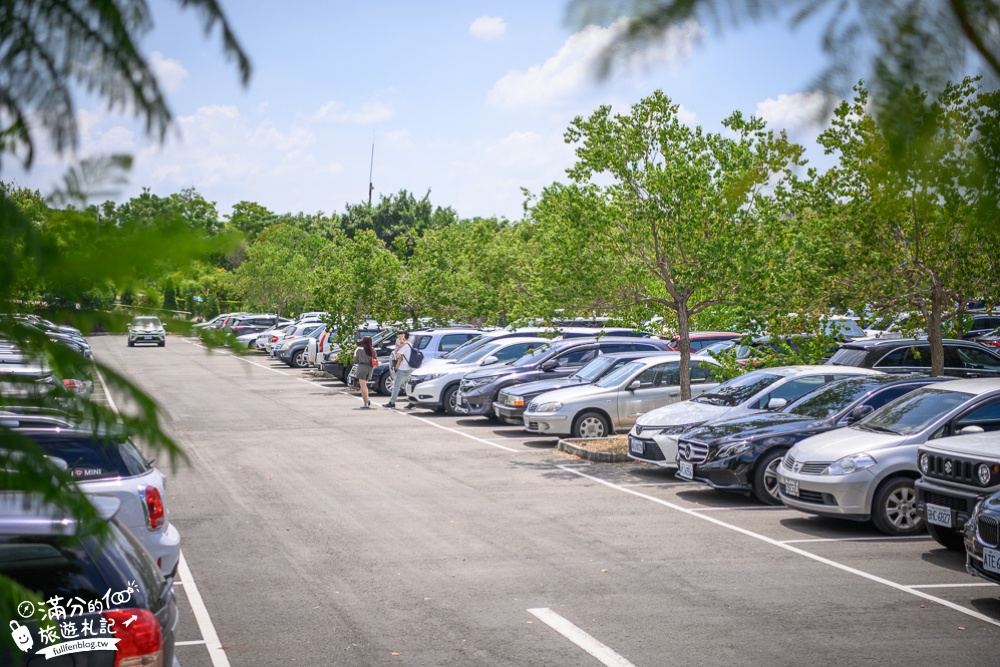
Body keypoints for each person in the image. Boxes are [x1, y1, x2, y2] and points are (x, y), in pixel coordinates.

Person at [384, 331, 413, 409]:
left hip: (403, 368)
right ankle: (412, 403)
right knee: (407, 386)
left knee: (396, 385)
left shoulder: (405, 346)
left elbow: (397, 355)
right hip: (410, 368)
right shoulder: (410, 344)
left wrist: (398, 359)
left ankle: (392, 402)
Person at [354, 336, 376, 408]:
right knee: (365, 385)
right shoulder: (372, 350)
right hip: (369, 368)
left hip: (362, 367)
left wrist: (355, 353)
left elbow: (355, 361)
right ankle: (367, 399)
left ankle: (365, 402)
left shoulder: (359, 350)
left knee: (363, 386)